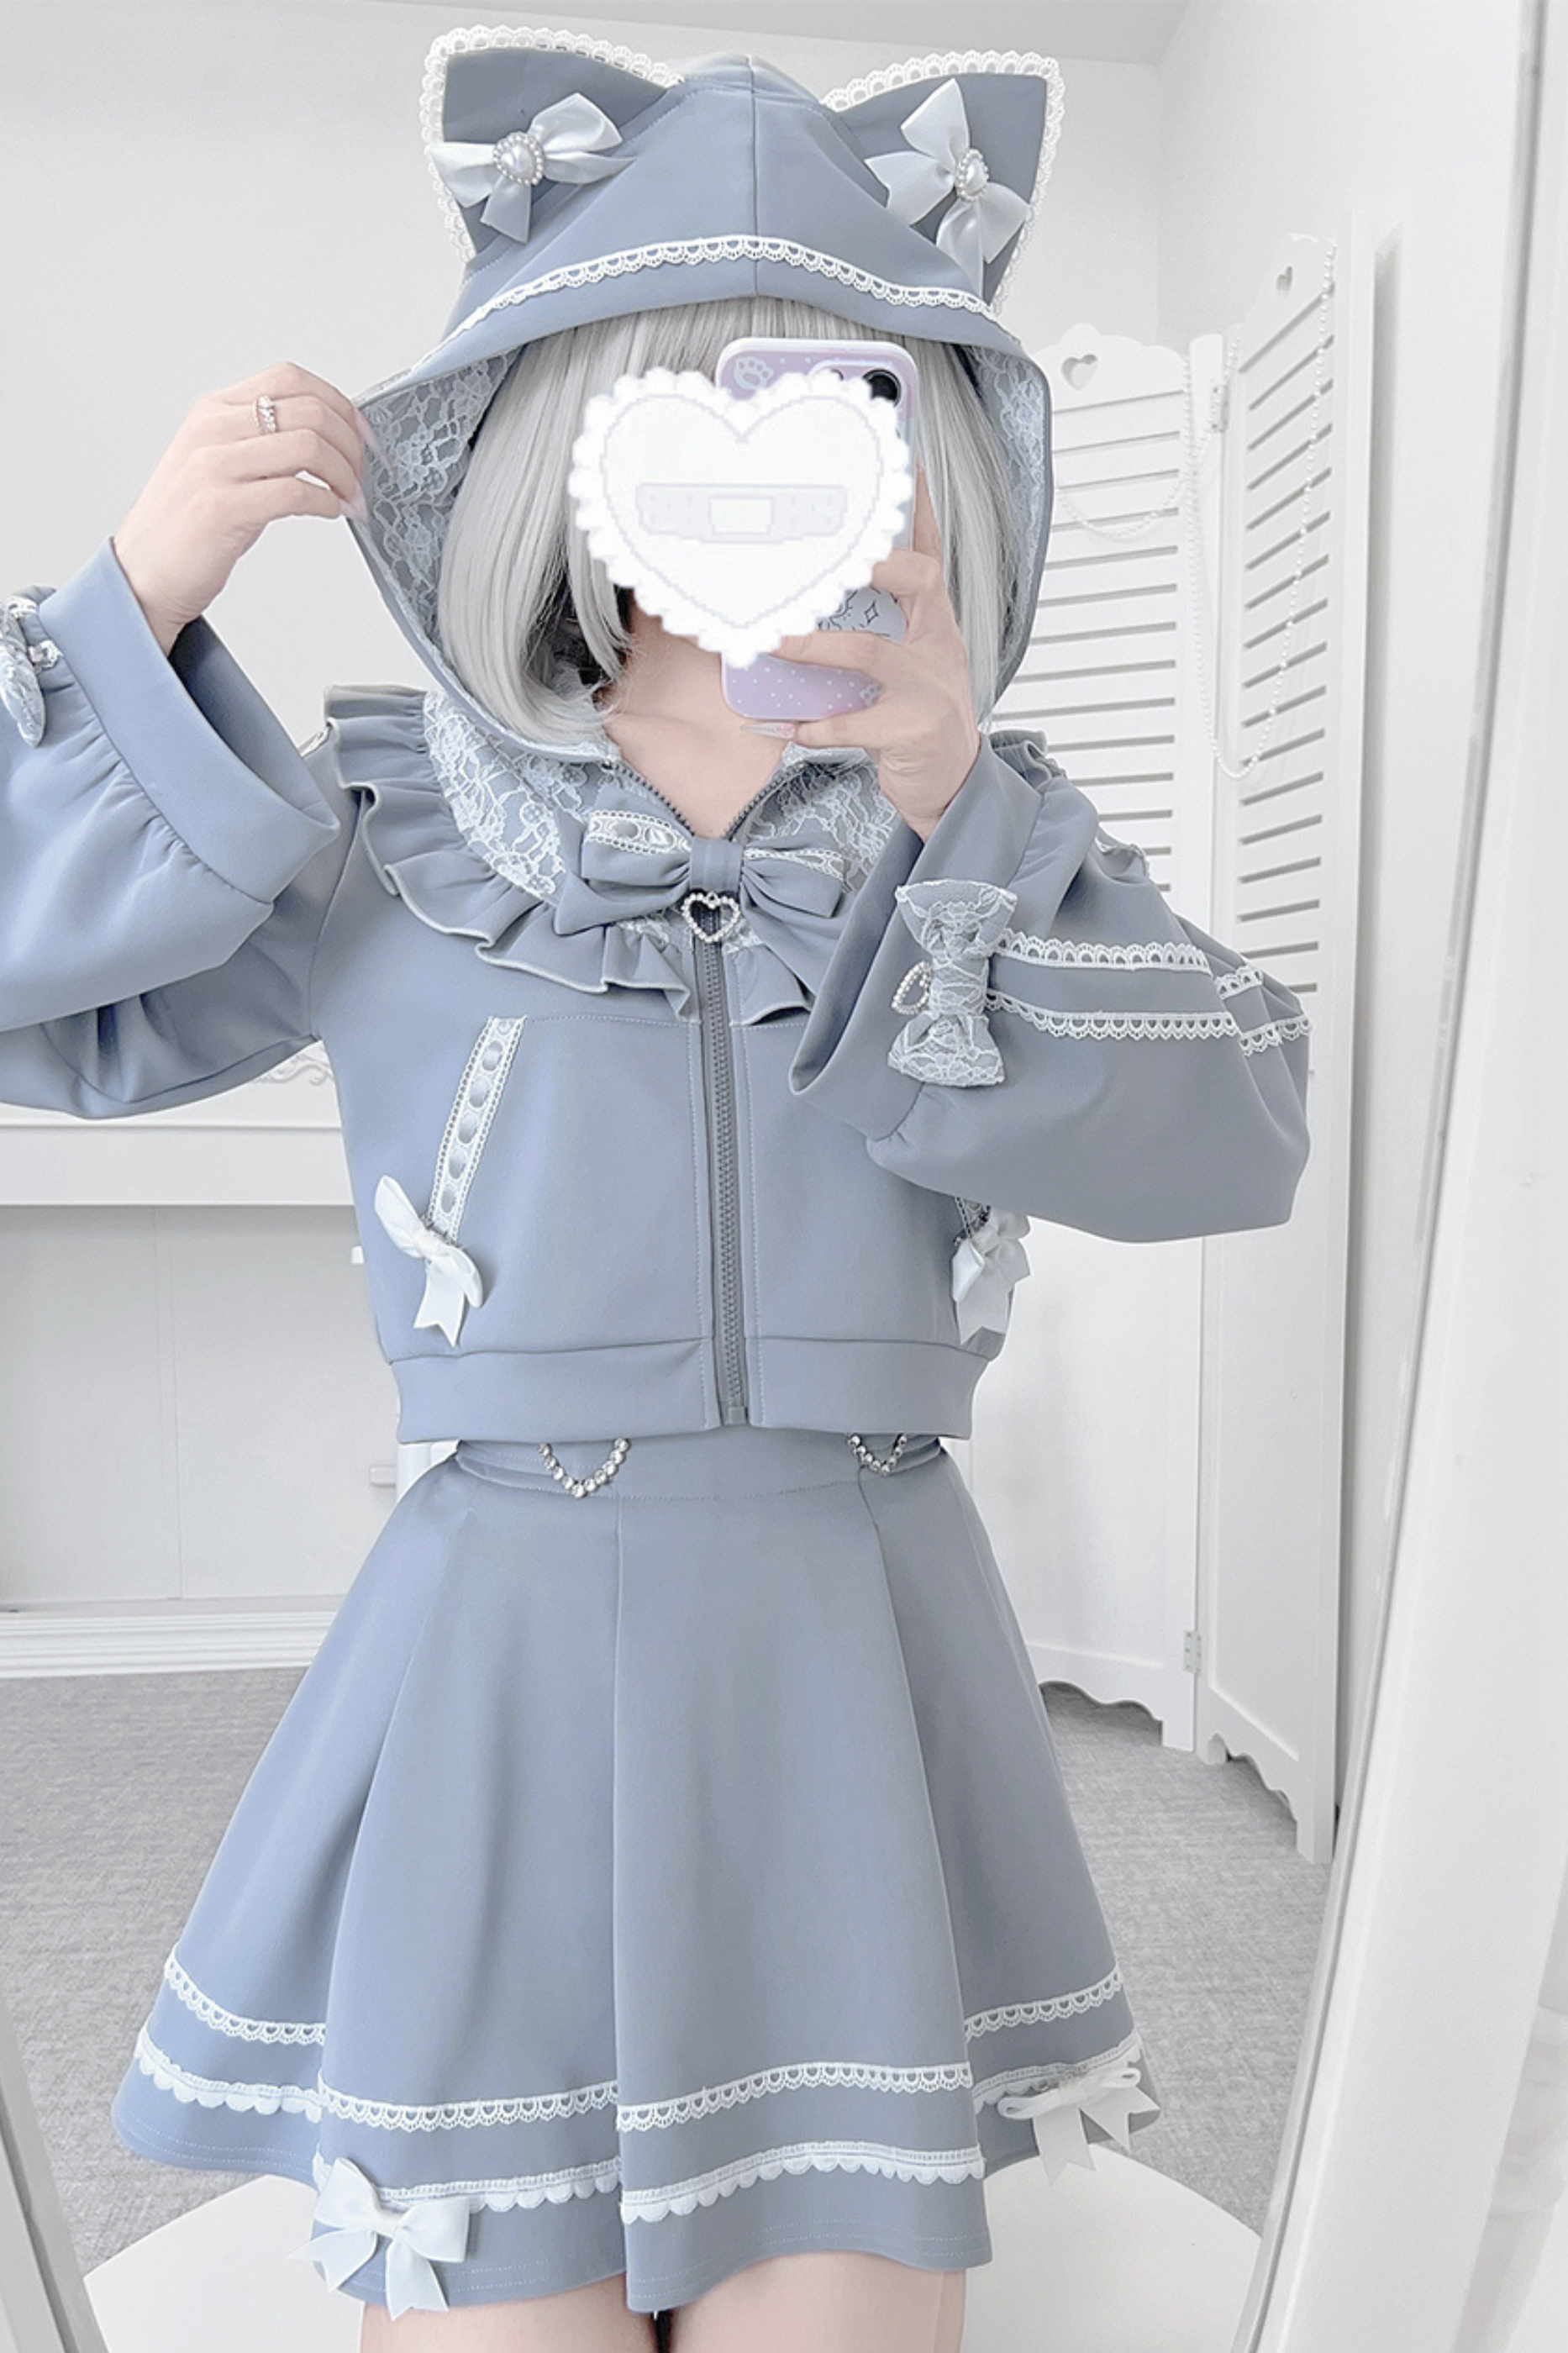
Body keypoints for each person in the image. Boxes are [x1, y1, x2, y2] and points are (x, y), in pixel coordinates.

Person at [0, 34, 1311, 2353]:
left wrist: (950, 809)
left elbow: (1230, 1133)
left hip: (857, 1644)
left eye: (828, 411)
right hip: (502, 1657)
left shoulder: (985, 832)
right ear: (556, 439)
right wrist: (137, 592)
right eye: (668, 406)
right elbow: (39, 997)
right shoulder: (403, 826)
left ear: (922, 452)